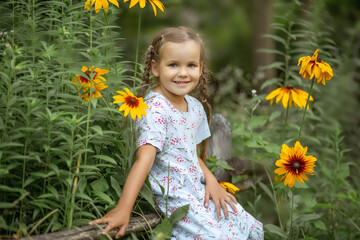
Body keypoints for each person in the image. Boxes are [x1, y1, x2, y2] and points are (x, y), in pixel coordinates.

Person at [90, 27, 264, 239]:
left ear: (200, 68)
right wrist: (124, 208)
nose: (183, 73)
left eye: (191, 65)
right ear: (156, 67)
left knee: (248, 225)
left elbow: (189, 154)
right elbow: (144, 159)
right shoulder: (154, 109)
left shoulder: (194, 107)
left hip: (198, 189)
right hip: (175, 196)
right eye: (173, 65)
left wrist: (212, 181)